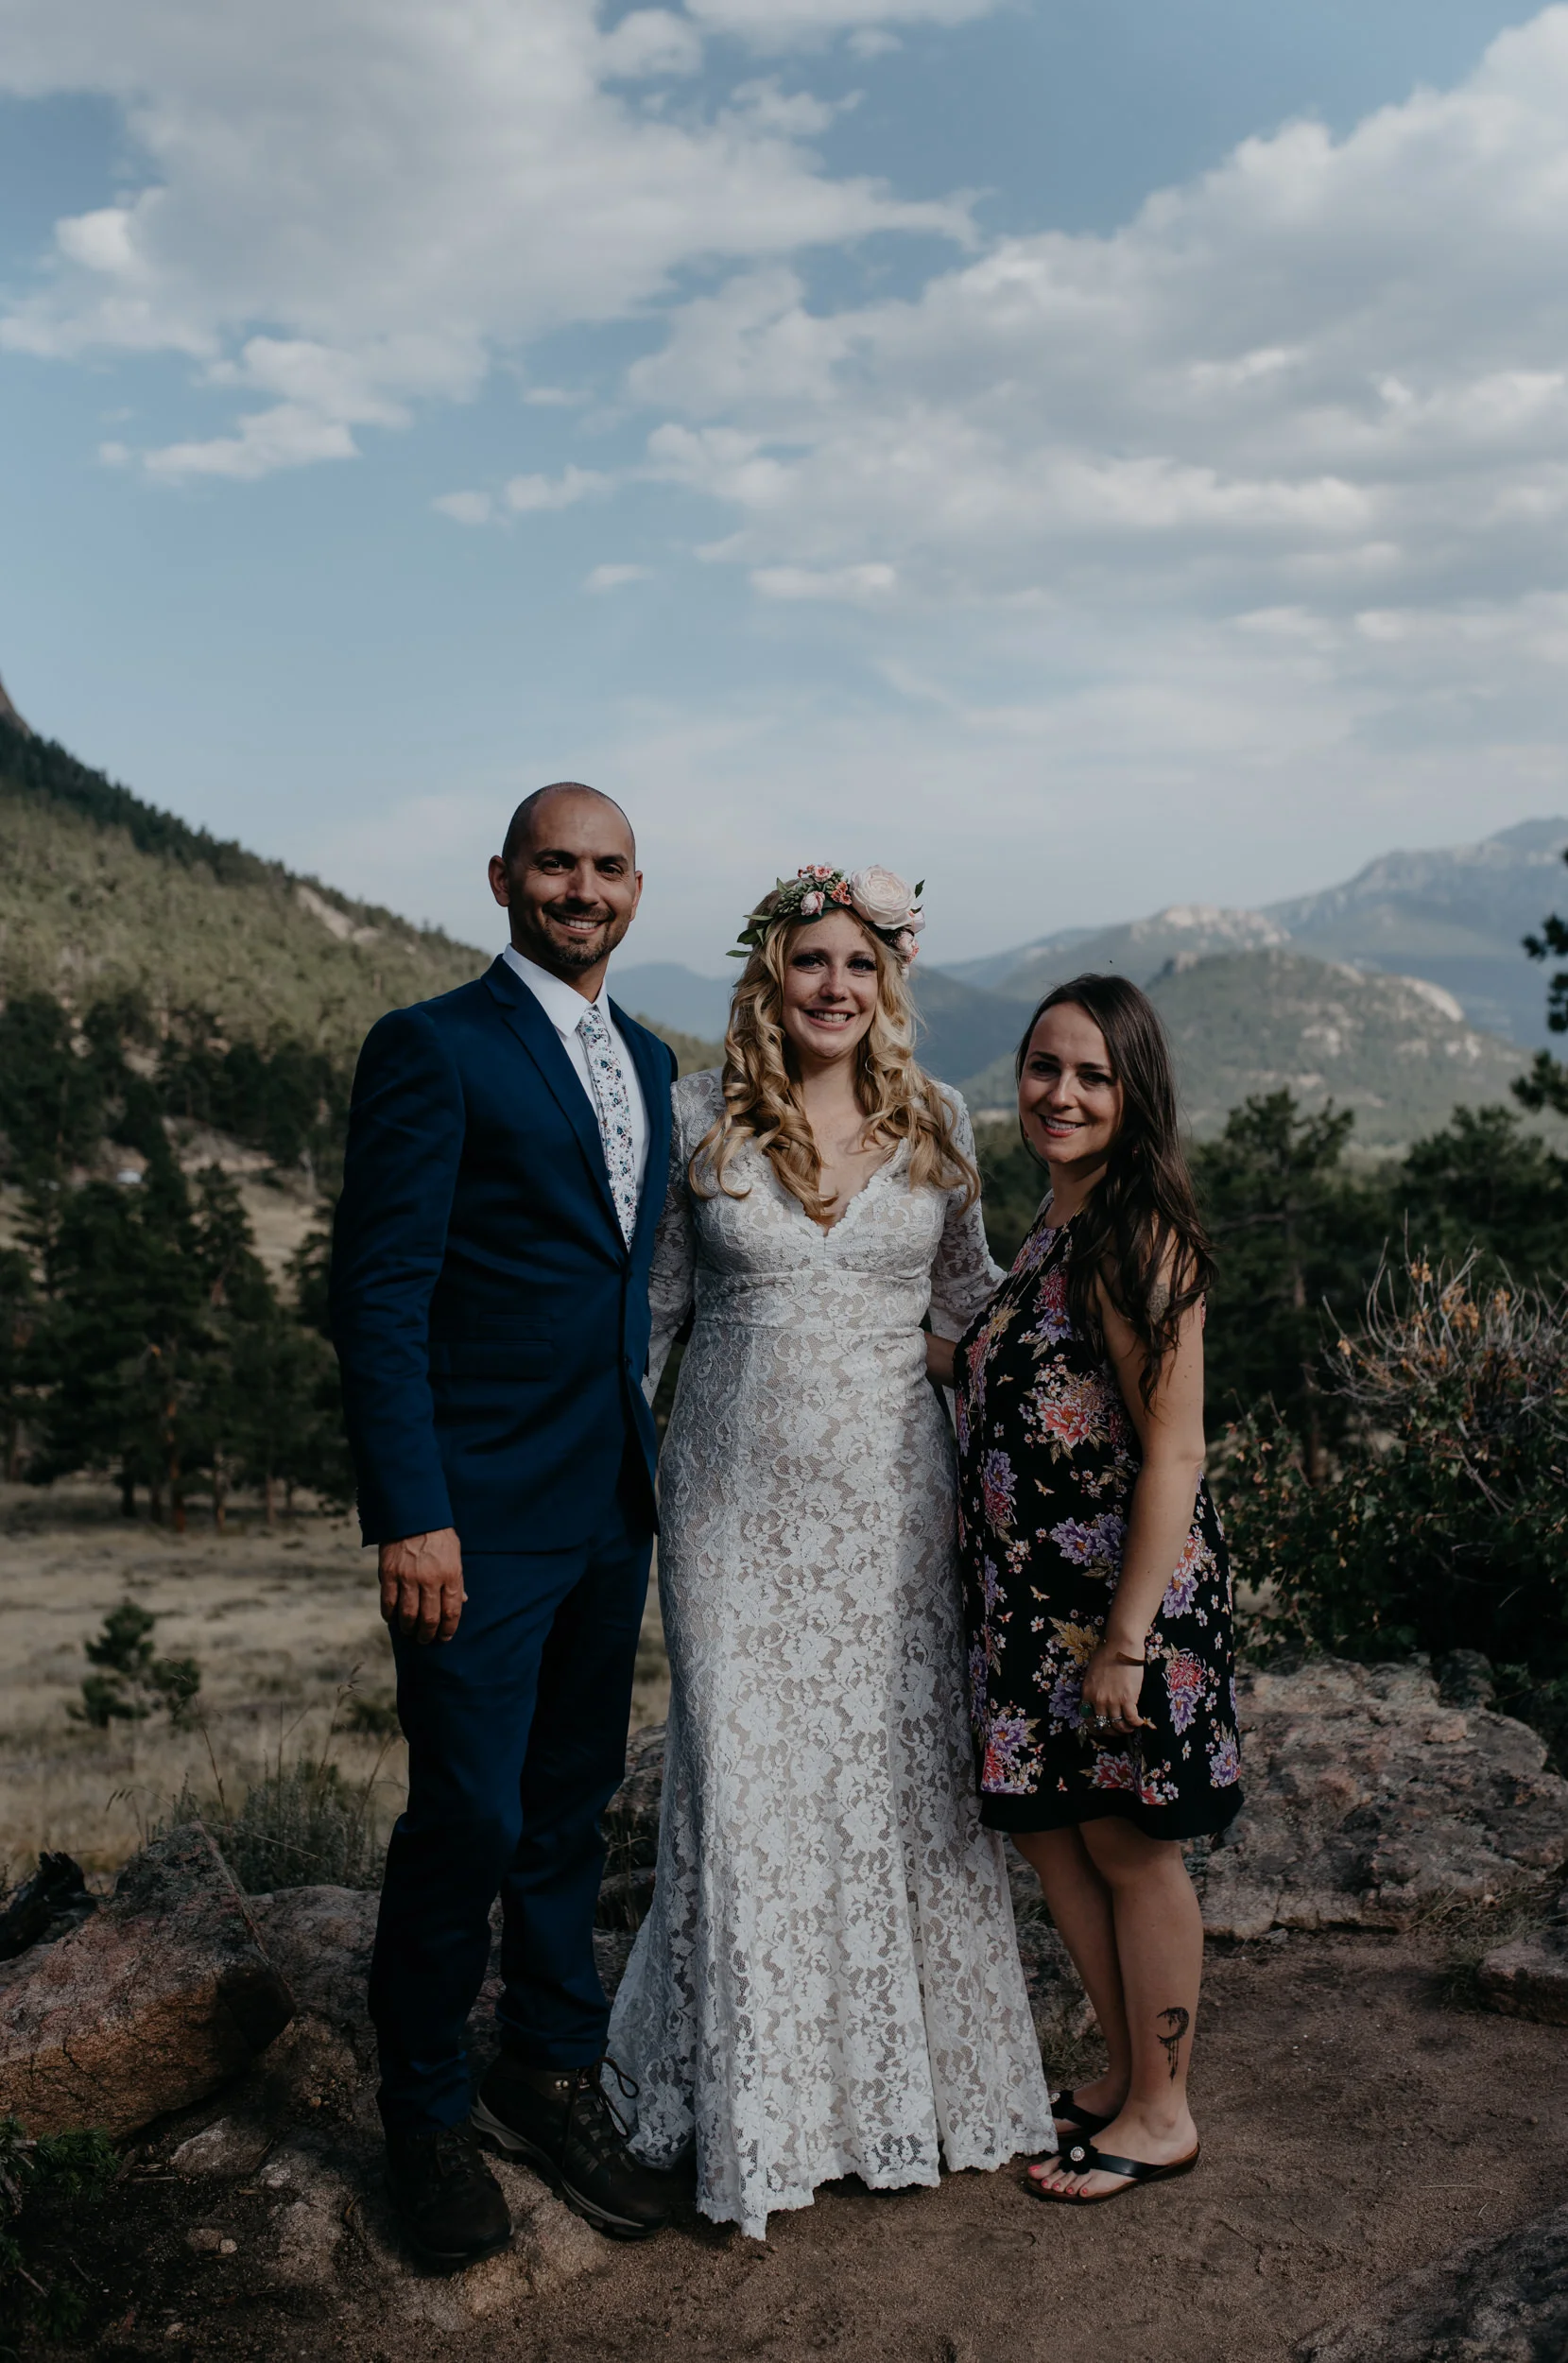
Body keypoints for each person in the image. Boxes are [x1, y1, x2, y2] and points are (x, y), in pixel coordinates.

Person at [608, 864, 1055, 2241]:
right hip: (730, 1515)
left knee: (890, 1780)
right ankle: (762, 2117)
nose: (834, 987)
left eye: (858, 965)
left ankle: (898, 2099)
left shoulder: (938, 1120)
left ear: (888, 983)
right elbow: (654, 1319)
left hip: (893, 1515)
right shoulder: (698, 1118)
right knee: (742, 1783)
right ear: (769, 974)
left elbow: (969, 1307)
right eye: (810, 962)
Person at [330, 783, 681, 2263]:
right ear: (501, 878)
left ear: (635, 889)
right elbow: (381, 1290)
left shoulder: (658, 1062)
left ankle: (548, 2065)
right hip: (473, 1518)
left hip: (610, 1505)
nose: (580, 888)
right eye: (555, 863)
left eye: (604, 868)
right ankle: (421, 2118)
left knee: (564, 1806)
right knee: (464, 1816)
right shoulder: (433, 1046)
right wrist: (411, 1513)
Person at [943, 974, 1238, 2206]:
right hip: (1029, 1603)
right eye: (1042, 1068)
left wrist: (1122, 1644)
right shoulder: (1051, 1226)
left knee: (1126, 1849)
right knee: (1057, 1842)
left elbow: (1172, 1450)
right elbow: (990, 1364)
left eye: (1091, 1076)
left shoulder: (1135, 1237)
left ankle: (1163, 2113)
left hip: (1116, 1613)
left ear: (1133, 1096)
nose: (1059, 1095)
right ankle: (1123, 2080)